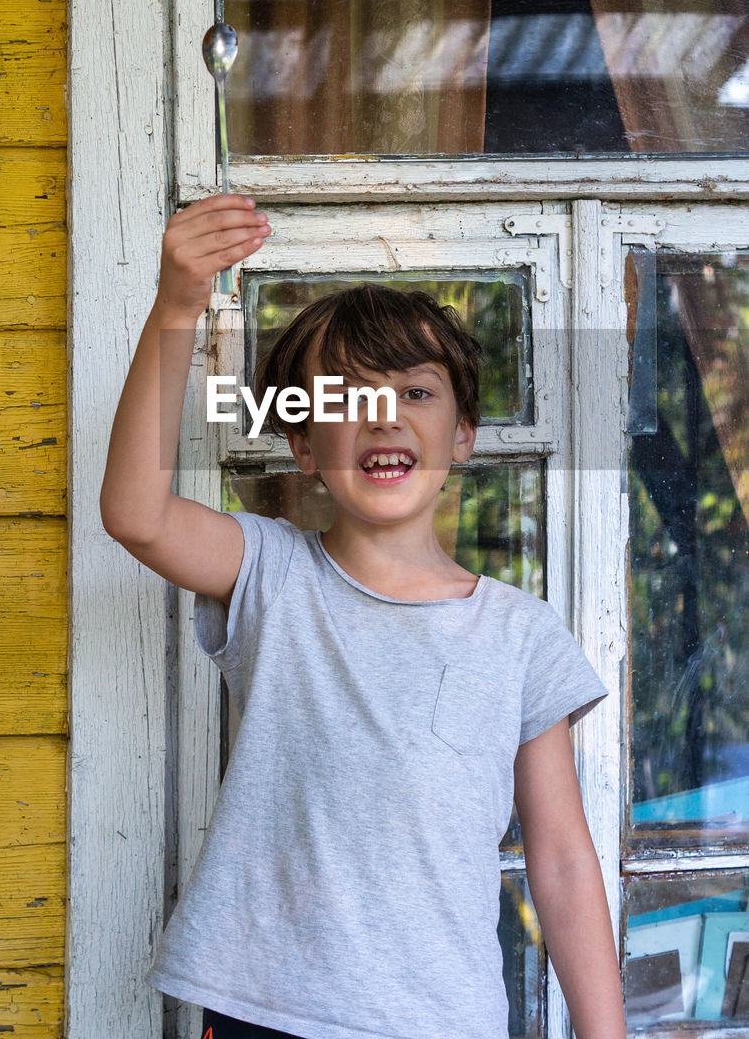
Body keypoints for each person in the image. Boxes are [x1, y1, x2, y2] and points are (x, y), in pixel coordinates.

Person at [100, 193, 627, 1039]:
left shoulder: (522, 634)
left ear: (463, 435)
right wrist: (177, 304)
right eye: (343, 398)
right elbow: (135, 513)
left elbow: (561, 862)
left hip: (445, 1020)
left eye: (415, 392)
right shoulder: (269, 571)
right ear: (302, 444)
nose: (382, 415)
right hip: (260, 1012)